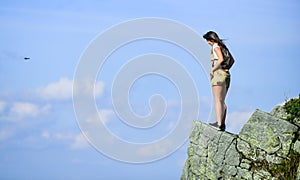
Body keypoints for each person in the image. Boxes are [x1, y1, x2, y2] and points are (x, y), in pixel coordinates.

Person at [203, 31, 234, 131]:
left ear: (211, 39)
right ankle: (222, 124)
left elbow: (220, 59)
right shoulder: (223, 47)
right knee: (222, 101)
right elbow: (232, 60)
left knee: (217, 100)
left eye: (208, 40)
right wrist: (226, 68)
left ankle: (219, 124)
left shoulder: (215, 46)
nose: (208, 43)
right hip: (226, 74)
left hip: (219, 75)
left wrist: (213, 69)